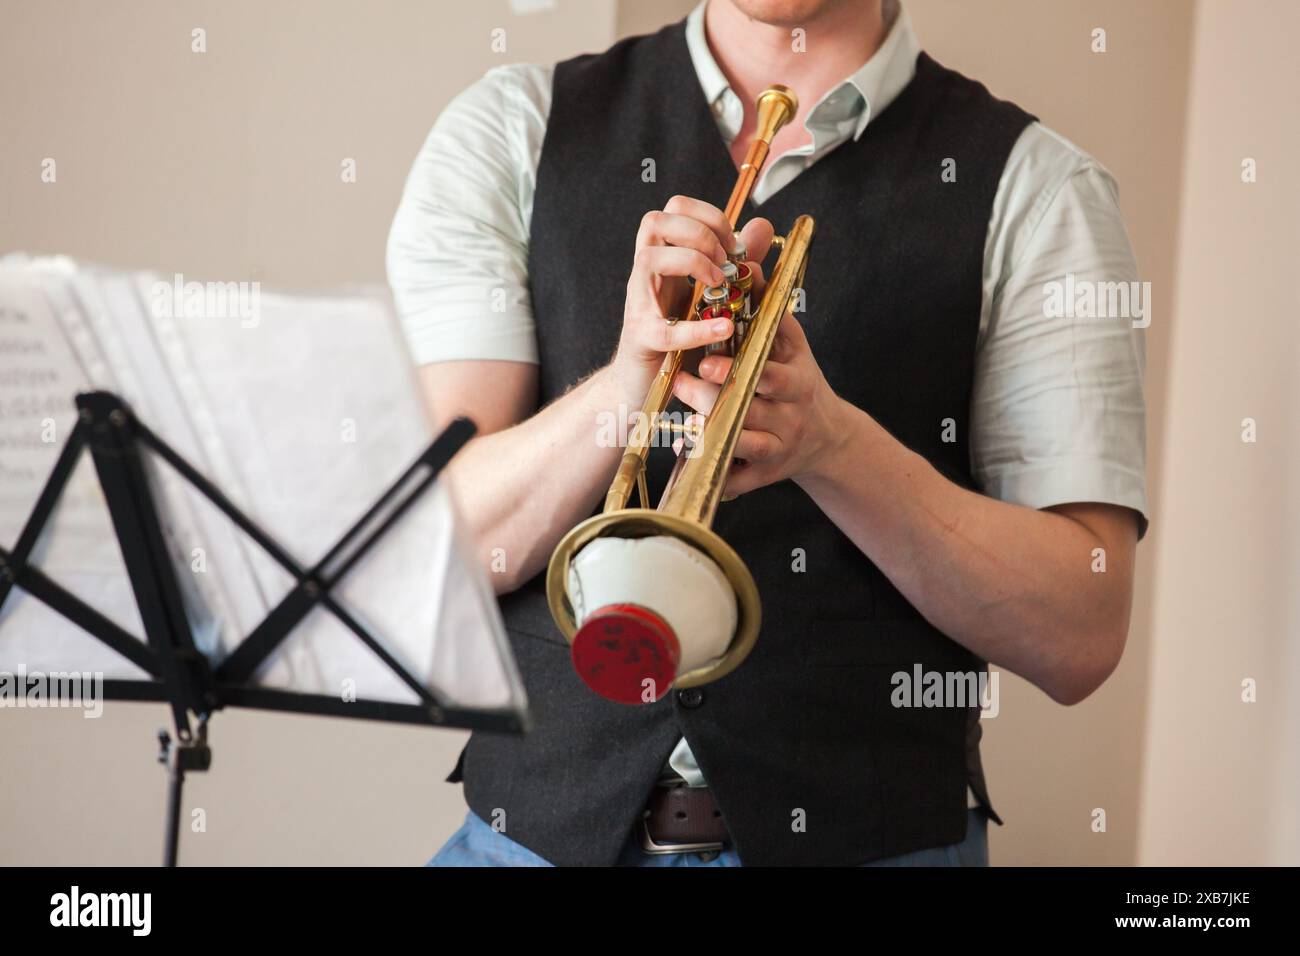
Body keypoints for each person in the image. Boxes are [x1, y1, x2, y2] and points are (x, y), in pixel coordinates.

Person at [387, 0, 1148, 867]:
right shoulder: (512, 127)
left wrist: (834, 446)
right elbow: (440, 550)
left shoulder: (1040, 189)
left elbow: (1081, 633)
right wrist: (632, 381)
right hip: (525, 844)